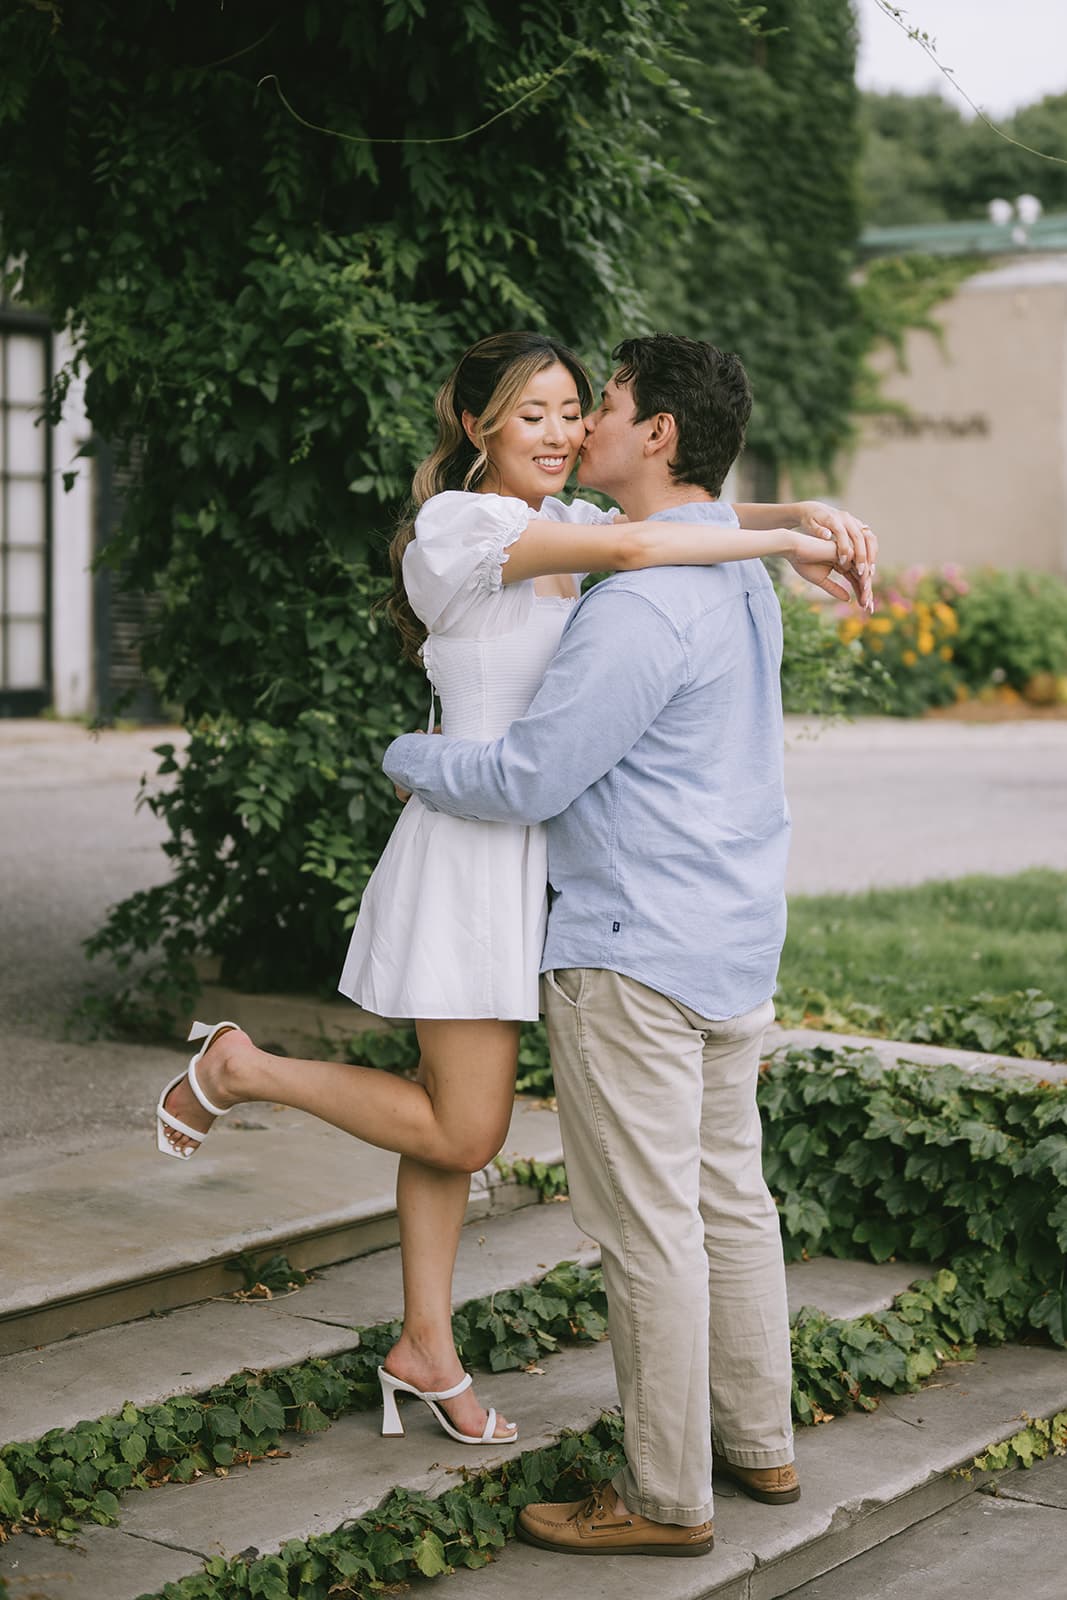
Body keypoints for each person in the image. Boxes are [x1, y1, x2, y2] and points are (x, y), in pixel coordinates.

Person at [155, 330, 874, 1459]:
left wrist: (804, 513)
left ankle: (425, 1344)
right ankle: (240, 1068)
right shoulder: (463, 526)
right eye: (532, 413)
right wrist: (789, 538)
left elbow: (678, 519)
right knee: (466, 1126)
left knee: (450, 1122)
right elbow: (647, 537)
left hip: (532, 847)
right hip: (469, 843)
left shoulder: (569, 523)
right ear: (476, 424)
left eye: (574, 409)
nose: (562, 430)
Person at [381, 332, 874, 1555]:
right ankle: (756, 1445)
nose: (582, 423)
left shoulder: (641, 603)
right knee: (729, 1206)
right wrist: (795, 521)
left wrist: (409, 755)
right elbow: (682, 531)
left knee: (649, 1231)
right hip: (728, 943)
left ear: (656, 433)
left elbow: (528, 776)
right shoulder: (735, 579)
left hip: (632, 954)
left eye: (600, 402)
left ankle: (664, 1498)